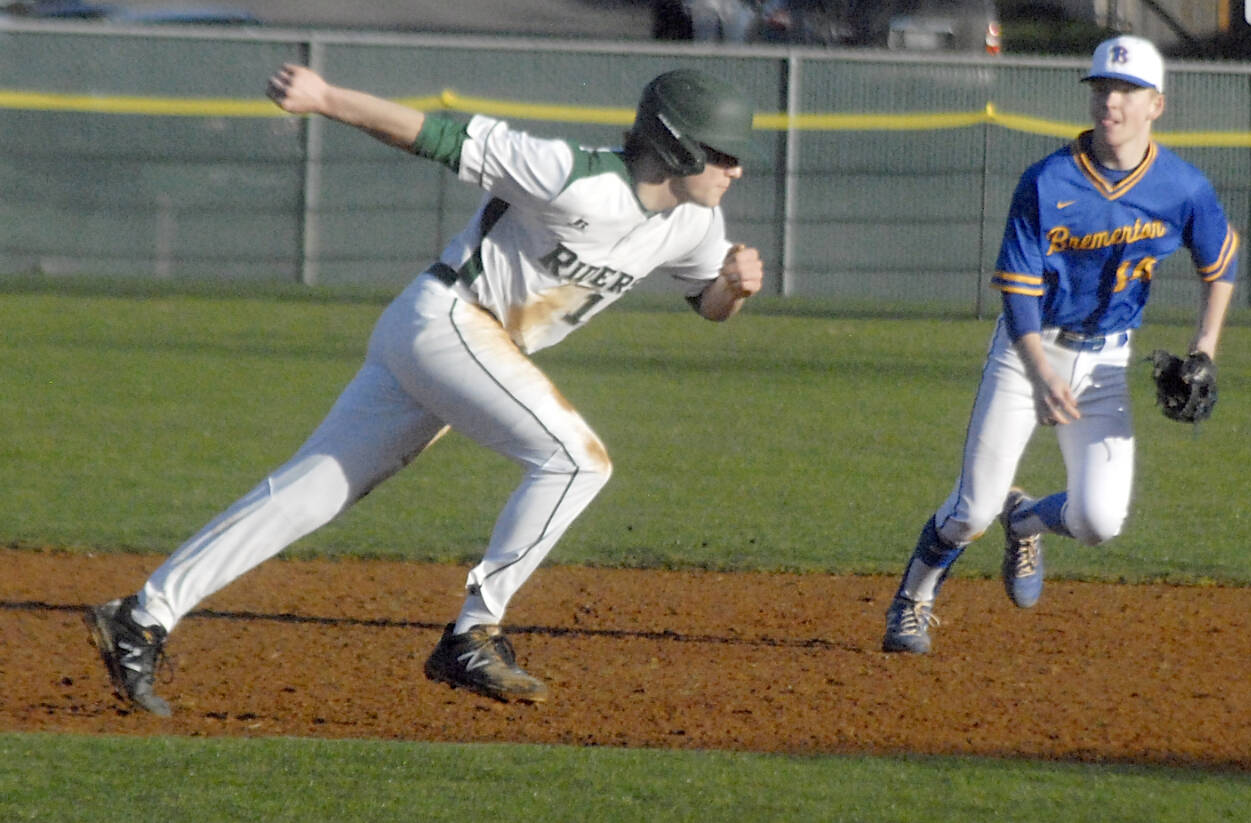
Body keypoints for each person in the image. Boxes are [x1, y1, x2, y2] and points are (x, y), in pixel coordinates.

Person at [84, 65, 764, 714]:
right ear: (676, 146)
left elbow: (707, 302)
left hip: (462, 346)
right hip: (447, 320)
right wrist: (324, 97)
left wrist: (731, 289)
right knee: (578, 459)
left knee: (313, 488)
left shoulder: (694, 224)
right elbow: (433, 134)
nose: (735, 169)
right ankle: (473, 633)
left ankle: (141, 615)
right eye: (724, 154)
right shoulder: (572, 177)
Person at [881, 35, 1238, 654]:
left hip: (1106, 362)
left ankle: (1026, 521)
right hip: (1028, 353)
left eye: (1127, 91)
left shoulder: (1182, 186)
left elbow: (1221, 265)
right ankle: (913, 599)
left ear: (1156, 104)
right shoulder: (1047, 182)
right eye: (1103, 88)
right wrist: (1041, 373)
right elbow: (1018, 292)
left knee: (1100, 521)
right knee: (970, 512)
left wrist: (1204, 347)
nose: (1112, 101)